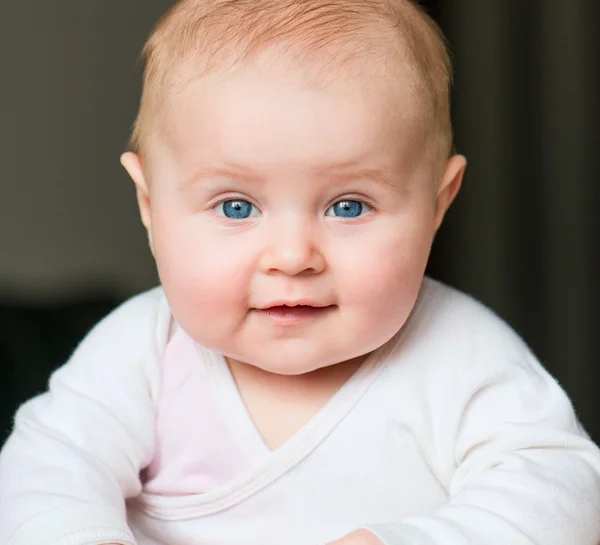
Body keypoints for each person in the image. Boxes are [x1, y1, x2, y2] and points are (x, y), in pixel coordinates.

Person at [1, 0, 599, 544]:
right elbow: (44, 472)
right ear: (151, 208)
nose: (292, 256)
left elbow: (566, 493)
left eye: (349, 206)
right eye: (236, 206)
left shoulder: (462, 356)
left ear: (438, 203)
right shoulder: (144, 352)